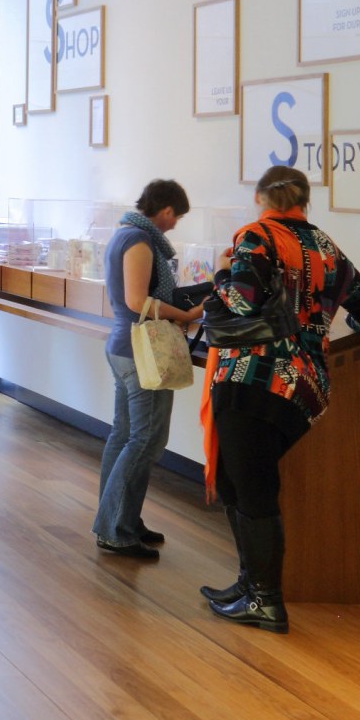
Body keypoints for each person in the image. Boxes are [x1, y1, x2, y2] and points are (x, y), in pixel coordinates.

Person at [199, 165, 360, 634]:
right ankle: (248, 585)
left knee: (251, 488)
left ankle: (266, 600)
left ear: (260, 196)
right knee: (241, 483)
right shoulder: (325, 245)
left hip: (250, 376)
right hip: (304, 387)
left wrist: (220, 270)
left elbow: (239, 301)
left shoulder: (255, 237)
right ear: (304, 199)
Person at [93, 180, 213, 558]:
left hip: (124, 347)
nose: (176, 224)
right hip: (141, 350)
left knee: (126, 436)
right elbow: (137, 300)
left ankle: (122, 519)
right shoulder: (140, 242)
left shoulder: (124, 234)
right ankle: (115, 528)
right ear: (164, 210)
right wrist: (190, 314)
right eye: (176, 215)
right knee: (146, 440)